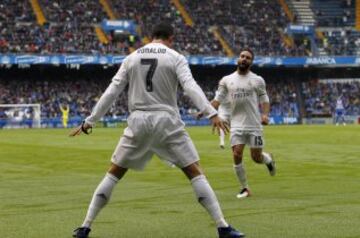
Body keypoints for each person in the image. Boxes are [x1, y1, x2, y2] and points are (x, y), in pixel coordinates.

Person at [70, 23, 244, 238]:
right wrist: (211, 113)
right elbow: (190, 87)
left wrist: (90, 121)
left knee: (114, 173)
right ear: (171, 37)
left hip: (138, 120)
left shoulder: (131, 57)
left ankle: (85, 227)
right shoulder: (175, 56)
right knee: (194, 172)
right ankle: (223, 227)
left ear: (151, 36)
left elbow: (111, 91)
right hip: (167, 120)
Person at [211, 48, 276, 199]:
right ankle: (245, 188)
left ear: (251, 62)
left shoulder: (257, 80)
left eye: (247, 57)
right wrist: (205, 110)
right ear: (238, 59)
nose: (244, 59)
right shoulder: (227, 80)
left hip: (254, 125)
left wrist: (265, 115)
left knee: (256, 157)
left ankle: (269, 160)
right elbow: (217, 100)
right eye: (242, 56)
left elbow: (264, 100)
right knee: (237, 154)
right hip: (237, 125)